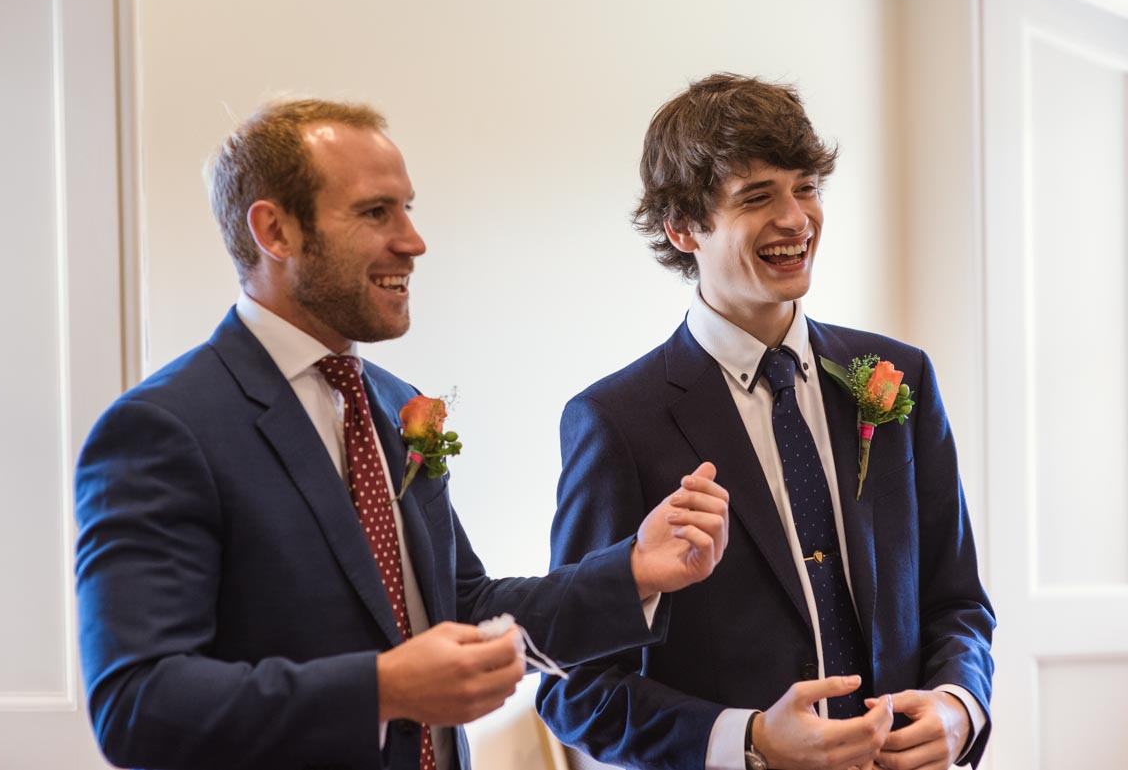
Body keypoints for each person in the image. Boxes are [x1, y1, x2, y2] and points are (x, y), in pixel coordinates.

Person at [74, 99, 730, 770]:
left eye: (407, 208)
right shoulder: (164, 429)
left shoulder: (393, 403)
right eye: (375, 212)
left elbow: (462, 606)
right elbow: (136, 703)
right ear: (275, 230)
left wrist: (634, 570)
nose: (413, 241)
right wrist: (382, 689)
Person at [536, 73, 995, 770]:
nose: (797, 219)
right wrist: (747, 739)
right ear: (683, 227)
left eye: (806, 187)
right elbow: (574, 686)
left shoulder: (900, 375)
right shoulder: (615, 422)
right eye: (757, 197)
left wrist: (959, 706)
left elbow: (956, 601)